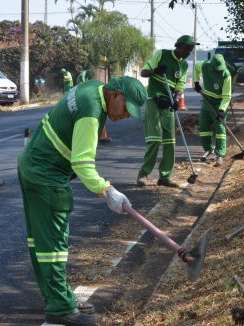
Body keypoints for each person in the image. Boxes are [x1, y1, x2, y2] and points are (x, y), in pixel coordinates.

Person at [18, 76, 147, 326]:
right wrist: (108, 190)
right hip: (47, 174)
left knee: (41, 243)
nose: (126, 115)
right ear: (114, 94)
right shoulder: (91, 111)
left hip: (33, 164)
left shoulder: (92, 88)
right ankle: (60, 308)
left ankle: (57, 297)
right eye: (126, 107)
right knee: (53, 247)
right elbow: (83, 164)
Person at [136, 35, 199, 188]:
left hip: (168, 103)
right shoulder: (162, 54)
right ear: (180, 46)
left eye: (191, 50)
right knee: (155, 139)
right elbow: (143, 72)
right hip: (154, 101)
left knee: (170, 141)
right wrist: (156, 71)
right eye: (188, 49)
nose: (189, 52)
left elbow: (180, 86)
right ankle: (143, 174)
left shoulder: (183, 65)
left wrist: (176, 100)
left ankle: (164, 176)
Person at [193, 53, 232, 167]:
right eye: (218, 70)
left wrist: (221, 110)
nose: (220, 71)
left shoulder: (226, 75)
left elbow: (227, 96)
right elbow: (196, 67)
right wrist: (196, 82)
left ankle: (220, 154)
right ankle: (209, 149)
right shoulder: (205, 65)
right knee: (204, 127)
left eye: (221, 69)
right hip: (206, 101)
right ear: (212, 66)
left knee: (220, 129)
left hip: (219, 103)